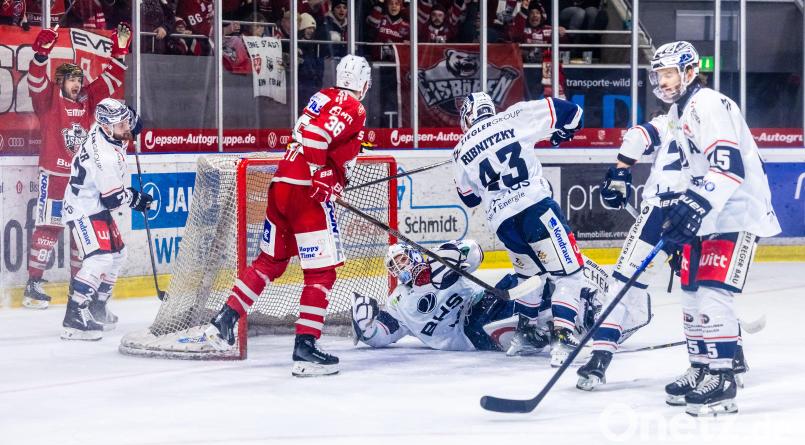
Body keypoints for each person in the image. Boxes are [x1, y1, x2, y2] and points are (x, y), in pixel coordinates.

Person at [205, 55, 372, 377]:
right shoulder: (353, 106)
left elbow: (315, 135)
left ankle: (224, 320)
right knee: (321, 273)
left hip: (281, 184)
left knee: (271, 262)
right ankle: (305, 348)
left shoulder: (322, 96)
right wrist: (320, 171)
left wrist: (332, 165)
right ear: (363, 83)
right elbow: (316, 138)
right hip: (305, 194)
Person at [652, 41, 780, 416]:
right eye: (660, 74)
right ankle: (701, 366)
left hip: (738, 210)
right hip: (710, 210)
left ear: (690, 71)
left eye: (671, 72)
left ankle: (723, 376)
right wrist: (678, 207)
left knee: (711, 291)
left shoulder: (707, 103)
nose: (664, 80)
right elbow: (694, 168)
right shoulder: (680, 110)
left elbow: (727, 167)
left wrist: (694, 204)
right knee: (690, 290)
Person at [451, 92, 584, 367]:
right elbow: (573, 113)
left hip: (503, 222)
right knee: (569, 273)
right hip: (536, 208)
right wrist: (561, 134)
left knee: (530, 277)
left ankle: (525, 331)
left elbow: (470, 198)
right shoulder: (515, 115)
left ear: (467, 117)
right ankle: (562, 335)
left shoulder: (459, 150)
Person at [23, 22, 130, 310]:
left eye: (79, 79)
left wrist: (119, 50)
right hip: (55, 175)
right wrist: (41, 56)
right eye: (71, 80)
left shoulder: (88, 101)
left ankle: (77, 285)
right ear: (60, 82)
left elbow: (110, 80)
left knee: (80, 233)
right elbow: (35, 81)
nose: (77, 84)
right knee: (48, 226)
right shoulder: (48, 100)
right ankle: (32, 285)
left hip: (81, 182)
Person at [352, 240, 613, 355]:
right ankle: (572, 318)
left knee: (522, 279)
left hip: (483, 303)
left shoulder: (438, 261)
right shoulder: (399, 302)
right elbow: (383, 335)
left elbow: (475, 251)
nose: (401, 267)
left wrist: (452, 255)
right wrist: (365, 326)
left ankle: (575, 306)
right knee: (514, 305)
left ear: (414, 254)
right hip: (470, 332)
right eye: (395, 266)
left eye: (402, 259)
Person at [574, 113, 683, 390]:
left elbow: (636, 136)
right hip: (698, 209)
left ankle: (599, 359)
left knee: (621, 286)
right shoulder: (713, 116)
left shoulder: (669, 118)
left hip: (660, 208)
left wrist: (620, 173)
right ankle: (731, 359)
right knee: (704, 289)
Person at [61, 98, 151, 340]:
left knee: (117, 254)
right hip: (82, 209)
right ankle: (74, 316)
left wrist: (130, 122)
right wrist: (136, 199)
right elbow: (114, 200)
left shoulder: (105, 129)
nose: (127, 129)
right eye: (122, 126)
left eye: (126, 124)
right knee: (100, 259)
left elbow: (125, 119)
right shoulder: (105, 158)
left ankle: (97, 306)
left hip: (95, 205)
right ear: (107, 126)